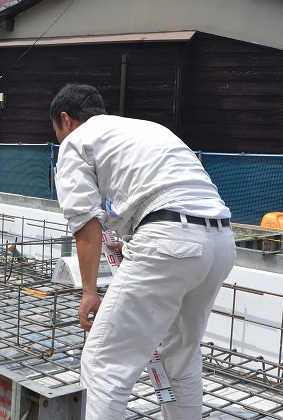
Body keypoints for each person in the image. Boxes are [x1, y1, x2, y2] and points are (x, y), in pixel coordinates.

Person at [50, 83, 236, 419]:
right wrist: (141, 236)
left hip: (169, 240)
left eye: (59, 133)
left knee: (104, 363)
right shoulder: (144, 130)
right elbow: (163, 193)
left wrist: (90, 292)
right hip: (220, 242)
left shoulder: (77, 140)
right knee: (181, 358)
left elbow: (86, 222)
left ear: (66, 120)